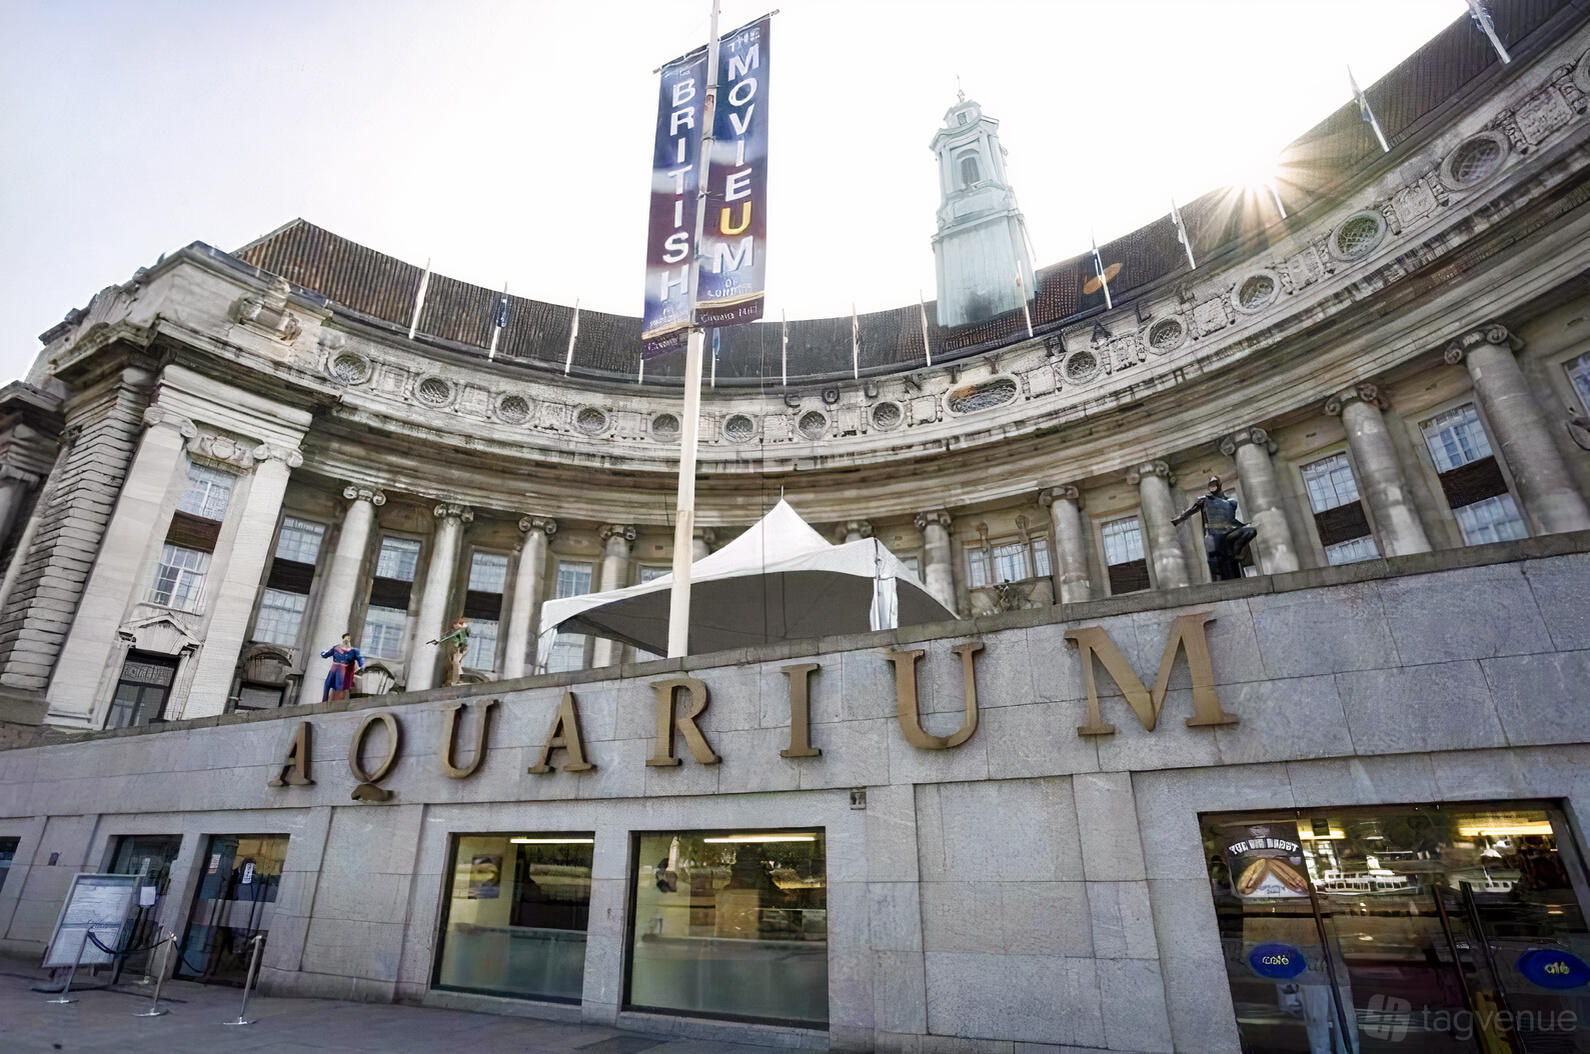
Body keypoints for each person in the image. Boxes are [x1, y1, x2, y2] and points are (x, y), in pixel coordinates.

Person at [1172, 476, 1257, 581]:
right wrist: (1178, 519)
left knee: (1251, 531)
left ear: (1219, 485)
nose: (1212, 487)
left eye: (1214, 484)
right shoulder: (1204, 500)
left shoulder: (1231, 502)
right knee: (1218, 564)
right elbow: (1190, 511)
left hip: (1228, 533)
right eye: (1210, 485)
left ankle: (1235, 552)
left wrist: (1243, 526)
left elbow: (1230, 519)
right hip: (1213, 535)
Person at [320, 633, 363, 701]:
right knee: (327, 684)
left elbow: (359, 659)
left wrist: (362, 666)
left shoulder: (354, 651)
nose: (347, 640)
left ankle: (336, 703)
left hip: (342, 669)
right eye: (345, 638)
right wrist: (323, 653)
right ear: (343, 639)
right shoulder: (336, 648)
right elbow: (326, 654)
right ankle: (324, 701)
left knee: (339, 686)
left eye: (348, 638)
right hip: (334, 668)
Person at [428, 617, 470, 687]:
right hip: (457, 649)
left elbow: (450, 637)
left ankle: (454, 681)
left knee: (455, 664)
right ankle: (453, 681)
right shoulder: (458, 632)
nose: (455, 625)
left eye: (456, 624)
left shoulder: (460, 632)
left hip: (458, 649)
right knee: (453, 664)